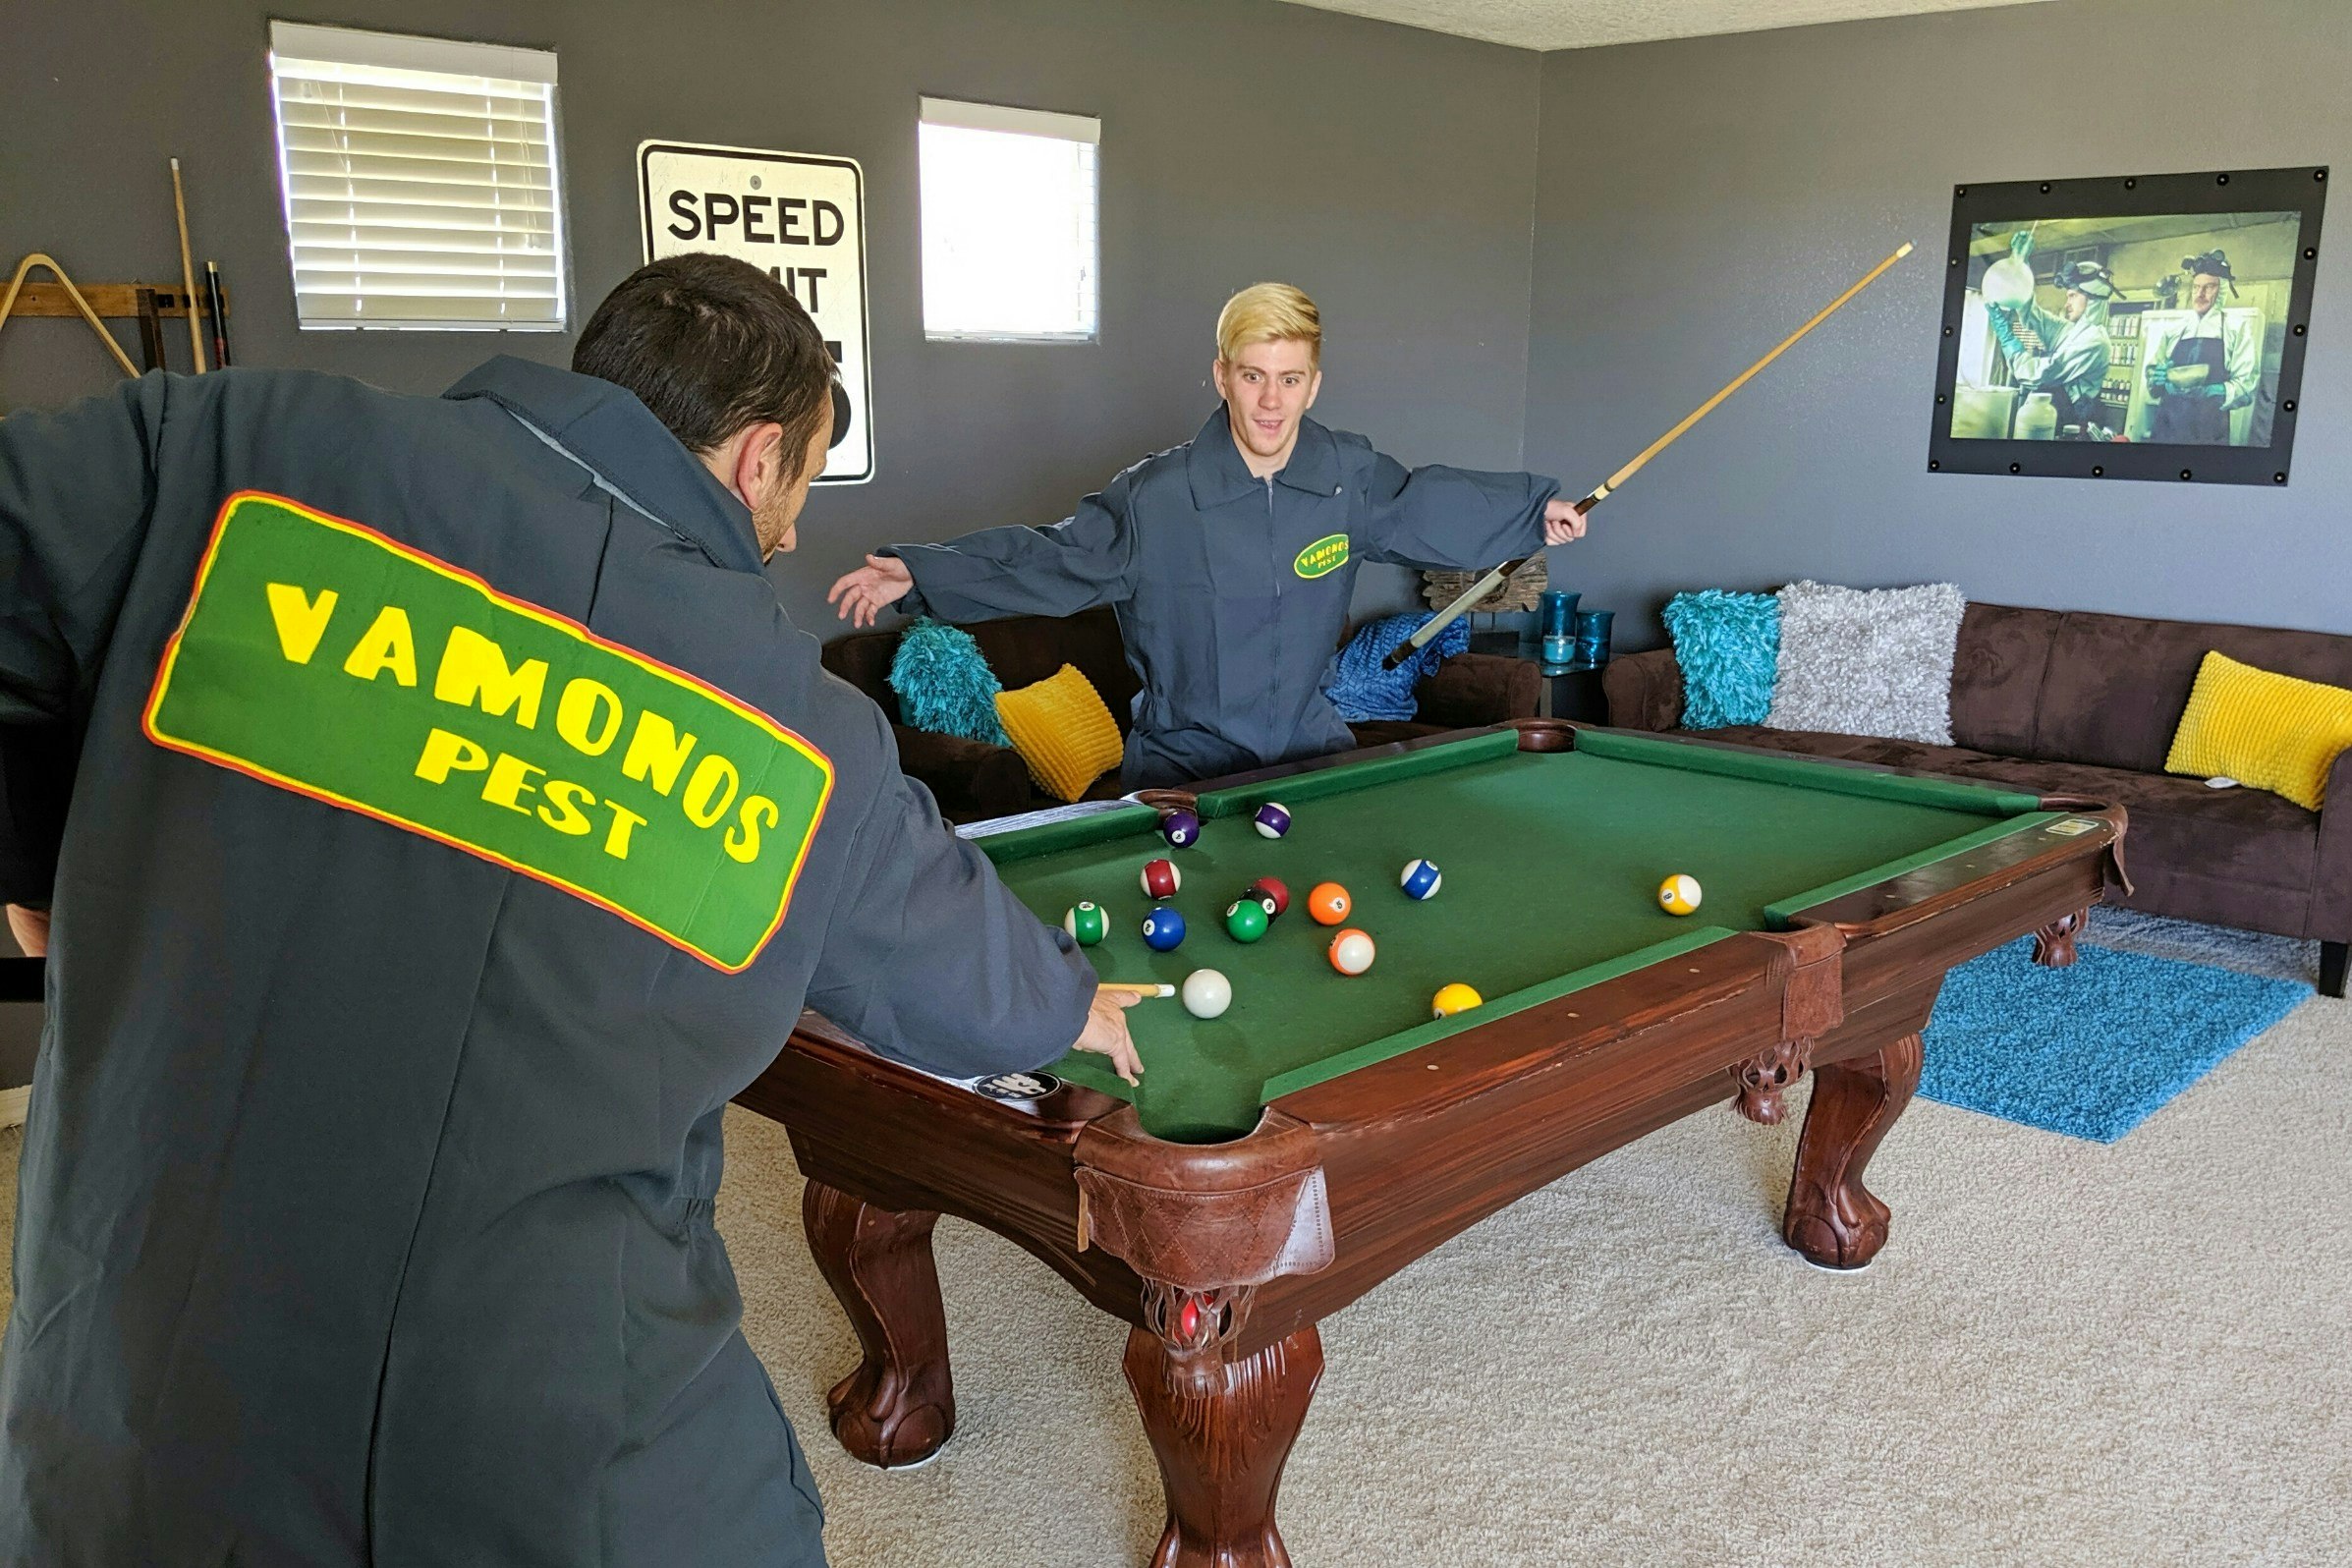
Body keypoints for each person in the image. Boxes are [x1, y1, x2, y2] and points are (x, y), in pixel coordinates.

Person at [0, 252, 1140, 1567]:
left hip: (134, 1431)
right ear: (755, 458)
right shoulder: (795, 723)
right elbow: (952, 977)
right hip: (570, 1464)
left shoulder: (233, 450)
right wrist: (1068, 999)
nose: (785, 531)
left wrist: (40, 860)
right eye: (804, 484)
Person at [827, 283, 1588, 787]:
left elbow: (1428, 505)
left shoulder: (1345, 474)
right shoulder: (1159, 496)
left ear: (1314, 384)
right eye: (1253, 375)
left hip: (1311, 761)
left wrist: (1533, 513)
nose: (1270, 400)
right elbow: (1055, 558)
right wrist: (922, 573)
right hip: (1184, 775)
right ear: (1222, 375)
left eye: (1290, 379)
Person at [1983, 232, 2120, 438]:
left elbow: (2043, 373)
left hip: (2071, 420)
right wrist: (2021, 265)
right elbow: (2035, 316)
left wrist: (2008, 340)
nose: (2067, 304)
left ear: (2092, 298)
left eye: (2073, 296)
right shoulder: (2074, 331)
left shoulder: (2095, 341)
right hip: (2058, 412)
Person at [2141, 249, 2261, 445]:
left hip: (2209, 433)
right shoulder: (2175, 328)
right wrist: (2157, 378)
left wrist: (2211, 391)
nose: (2200, 294)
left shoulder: (2235, 328)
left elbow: (2246, 386)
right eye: (2196, 287)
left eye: (2209, 287)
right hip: (2167, 429)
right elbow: (2153, 381)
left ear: (2221, 289)